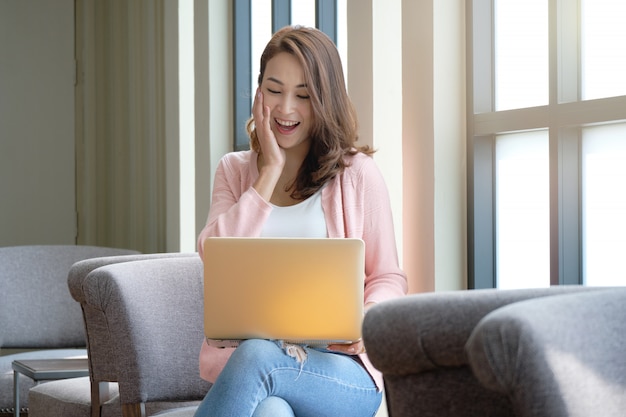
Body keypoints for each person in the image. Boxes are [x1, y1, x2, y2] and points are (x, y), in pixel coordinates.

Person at [194, 25, 407, 417]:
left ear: (325, 101)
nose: (286, 108)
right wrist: (268, 173)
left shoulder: (357, 174)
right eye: (274, 91)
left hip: (340, 375)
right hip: (258, 372)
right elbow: (214, 254)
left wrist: (364, 321)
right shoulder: (234, 171)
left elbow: (388, 277)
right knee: (271, 411)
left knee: (259, 355)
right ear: (259, 95)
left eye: (304, 95)